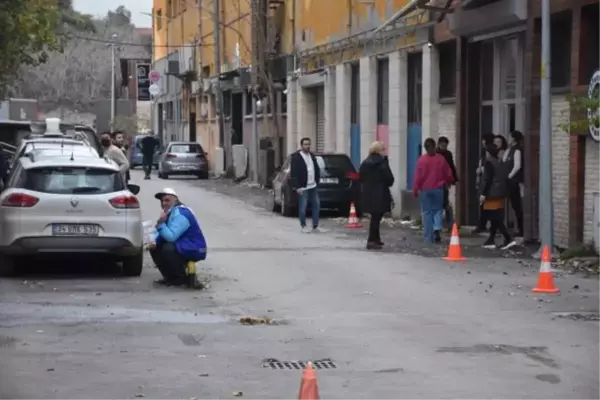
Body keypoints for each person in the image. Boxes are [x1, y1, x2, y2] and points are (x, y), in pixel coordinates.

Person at [148, 188, 207, 286]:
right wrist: (152, 241)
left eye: (167, 200)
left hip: (195, 248)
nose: (163, 203)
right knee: (155, 247)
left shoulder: (181, 213)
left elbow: (171, 237)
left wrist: (161, 224)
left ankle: (180, 278)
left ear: (175, 200)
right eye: (162, 201)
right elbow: (162, 234)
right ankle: (169, 277)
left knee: (168, 248)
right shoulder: (171, 212)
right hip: (183, 245)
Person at [413, 138, 455, 243]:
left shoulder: (421, 160)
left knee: (427, 212)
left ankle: (428, 236)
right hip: (438, 189)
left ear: (425, 148)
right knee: (437, 210)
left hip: (426, 190)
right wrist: (450, 181)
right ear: (435, 146)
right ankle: (437, 228)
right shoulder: (440, 159)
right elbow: (448, 173)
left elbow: (418, 177)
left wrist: (415, 189)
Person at [479, 146, 517, 250]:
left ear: (489, 153)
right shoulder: (498, 163)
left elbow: (488, 180)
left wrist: (483, 194)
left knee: (495, 218)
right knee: (495, 218)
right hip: (500, 193)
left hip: (492, 194)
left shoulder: (489, 163)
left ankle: (508, 238)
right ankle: (491, 240)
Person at [359, 141, 395, 250]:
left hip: (368, 194)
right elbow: (390, 180)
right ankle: (372, 240)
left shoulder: (365, 163)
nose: (385, 151)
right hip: (380, 194)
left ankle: (376, 238)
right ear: (379, 151)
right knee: (376, 218)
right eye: (383, 149)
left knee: (375, 217)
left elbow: (361, 177)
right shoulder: (382, 163)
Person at [290, 137, 322, 233]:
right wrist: (297, 187)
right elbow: (294, 173)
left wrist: (317, 180)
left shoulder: (311, 156)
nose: (307, 146)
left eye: (309, 144)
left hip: (313, 185)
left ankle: (315, 226)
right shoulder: (296, 157)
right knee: (303, 207)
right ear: (301, 145)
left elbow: (315, 168)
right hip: (303, 187)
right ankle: (303, 226)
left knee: (316, 205)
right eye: (305, 144)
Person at [473, 133, 496, 234]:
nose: (482, 142)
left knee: (487, 206)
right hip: (483, 182)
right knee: (483, 206)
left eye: (483, 140)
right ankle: (483, 224)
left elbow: (488, 175)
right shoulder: (484, 155)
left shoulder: (491, 160)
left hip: (487, 185)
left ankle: (484, 225)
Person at [503, 130, 525, 237]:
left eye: (510, 137)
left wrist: (509, 176)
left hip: (514, 181)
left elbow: (517, 166)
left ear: (514, 139)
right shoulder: (510, 150)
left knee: (517, 206)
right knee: (512, 205)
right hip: (509, 181)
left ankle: (521, 229)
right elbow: (504, 160)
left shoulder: (517, 150)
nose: (508, 138)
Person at [436, 136, 459, 230]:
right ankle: (442, 223)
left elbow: (451, 166)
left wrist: (454, 179)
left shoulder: (448, 154)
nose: (444, 147)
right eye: (442, 145)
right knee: (440, 204)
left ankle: (449, 223)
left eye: (445, 146)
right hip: (436, 182)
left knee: (445, 202)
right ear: (439, 144)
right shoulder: (435, 154)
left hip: (444, 182)